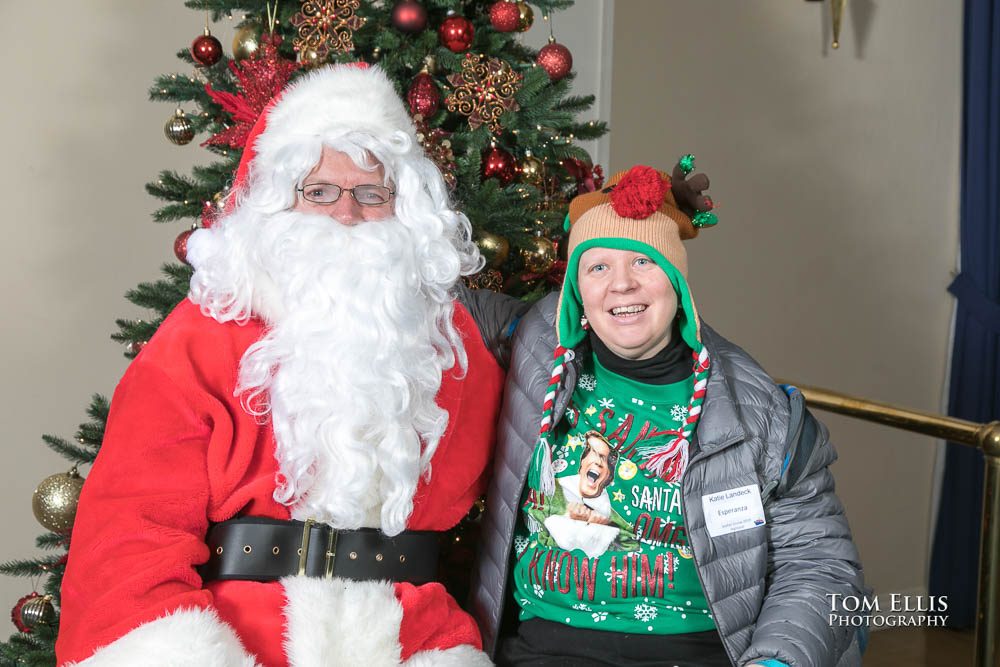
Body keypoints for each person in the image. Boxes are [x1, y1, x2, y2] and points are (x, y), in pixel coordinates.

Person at [56, 64, 526, 666]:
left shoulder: (447, 346)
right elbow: (129, 531)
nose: (346, 214)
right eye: (319, 191)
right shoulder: (203, 335)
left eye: (371, 193)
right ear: (278, 201)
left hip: (411, 641)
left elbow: (518, 503)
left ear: (405, 208)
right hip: (238, 636)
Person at [471, 161, 866, 666]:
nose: (621, 286)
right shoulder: (537, 345)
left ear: (676, 280)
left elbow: (820, 564)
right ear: (576, 292)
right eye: (598, 267)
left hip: (694, 653)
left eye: (642, 262)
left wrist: (776, 661)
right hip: (546, 649)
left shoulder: (758, 411)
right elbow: (430, 302)